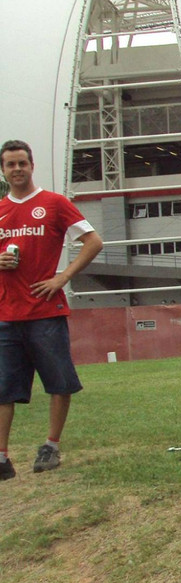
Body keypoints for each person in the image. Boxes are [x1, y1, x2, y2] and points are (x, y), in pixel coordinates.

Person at [0, 139, 103, 480]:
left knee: (59, 383)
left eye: (22, 163)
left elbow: (93, 241)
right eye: (10, 164)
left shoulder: (54, 203)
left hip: (46, 311)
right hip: (6, 314)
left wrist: (63, 277)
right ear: (3, 171)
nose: (17, 169)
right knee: (3, 389)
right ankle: (1, 457)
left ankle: (51, 446)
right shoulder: (1, 209)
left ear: (32, 166)